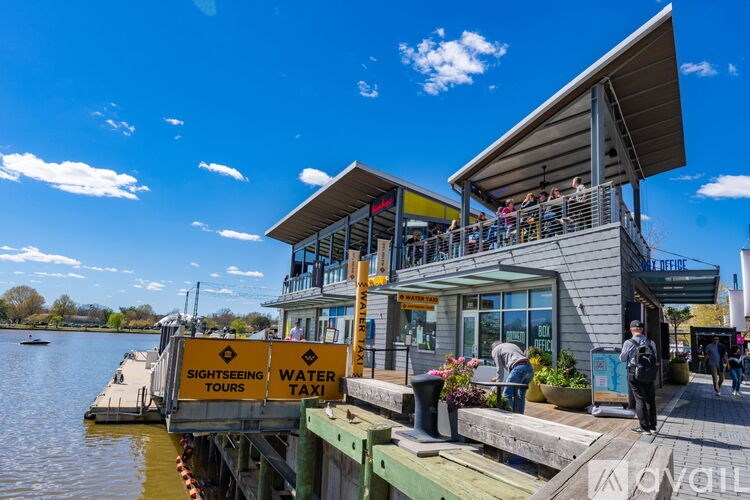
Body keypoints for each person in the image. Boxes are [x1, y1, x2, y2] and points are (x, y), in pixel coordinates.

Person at [620, 320, 659, 435]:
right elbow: (655, 357)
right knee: (650, 400)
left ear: (632, 330)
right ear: (642, 330)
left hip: (634, 373)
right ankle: (653, 427)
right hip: (650, 373)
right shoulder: (650, 342)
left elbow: (622, 358)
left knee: (640, 399)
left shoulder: (629, 342)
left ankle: (644, 428)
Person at [490, 341, 534, 413]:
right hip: (529, 368)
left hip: (519, 368)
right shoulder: (511, 346)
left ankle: (511, 416)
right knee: (520, 396)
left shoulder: (496, 350)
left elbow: (499, 370)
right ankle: (520, 416)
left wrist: (497, 386)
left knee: (507, 395)